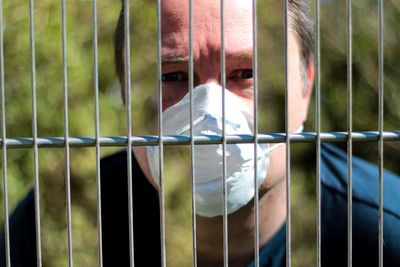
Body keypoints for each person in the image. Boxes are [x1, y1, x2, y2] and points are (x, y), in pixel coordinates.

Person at [1, 0, 400, 266]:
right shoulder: (55, 229)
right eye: (171, 76)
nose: (210, 113)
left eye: (246, 73)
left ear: (305, 85)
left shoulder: (384, 232)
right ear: (125, 94)